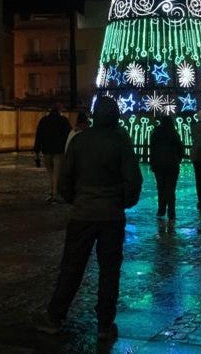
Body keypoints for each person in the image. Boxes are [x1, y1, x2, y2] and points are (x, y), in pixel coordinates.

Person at [35, 97, 142, 341]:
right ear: (115, 117)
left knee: (72, 267)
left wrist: (76, 199)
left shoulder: (80, 141)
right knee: (109, 270)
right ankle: (105, 323)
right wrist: (121, 202)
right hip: (111, 217)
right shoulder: (120, 141)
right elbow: (133, 180)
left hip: (82, 214)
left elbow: (65, 179)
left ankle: (55, 316)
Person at [149, 116, 185, 221]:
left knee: (160, 188)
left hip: (159, 165)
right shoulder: (173, 134)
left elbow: (152, 149)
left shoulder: (155, 133)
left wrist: (153, 162)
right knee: (171, 189)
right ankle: (171, 212)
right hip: (172, 165)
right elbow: (180, 148)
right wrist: (177, 159)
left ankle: (161, 210)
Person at [34, 105, 71, 203]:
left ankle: (52, 191)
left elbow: (38, 136)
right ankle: (55, 193)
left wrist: (37, 152)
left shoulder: (43, 120)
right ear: (59, 111)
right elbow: (68, 134)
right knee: (57, 173)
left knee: (50, 172)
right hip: (59, 150)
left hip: (46, 150)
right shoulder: (63, 120)